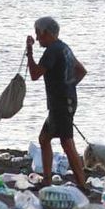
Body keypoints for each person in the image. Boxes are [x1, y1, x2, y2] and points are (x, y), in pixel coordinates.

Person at [27, 16, 88, 187]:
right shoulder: (64, 47)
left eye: (38, 33)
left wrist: (29, 51)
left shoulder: (52, 51)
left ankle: (82, 185)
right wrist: (68, 86)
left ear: (46, 32)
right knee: (44, 138)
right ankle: (47, 180)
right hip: (65, 101)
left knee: (67, 143)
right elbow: (81, 71)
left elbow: (34, 74)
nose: (37, 38)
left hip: (61, 104)